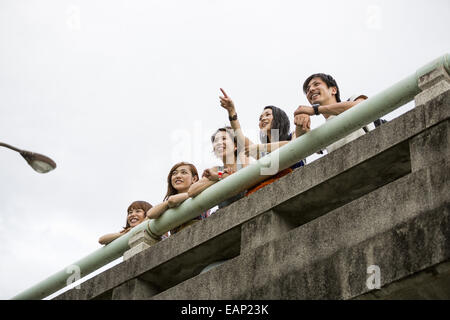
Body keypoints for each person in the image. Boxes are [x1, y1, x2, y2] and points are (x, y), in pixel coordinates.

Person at [218, 88, 308, 195]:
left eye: (267, 115)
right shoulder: (262, 153)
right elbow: (239, 135)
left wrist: (260, 147)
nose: (262, 119)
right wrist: (231, 111)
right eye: (260, 118)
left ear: (279, 118)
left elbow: (293, 146)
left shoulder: (293, 135)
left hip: (297, 185)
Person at [294, 73, 369, 153]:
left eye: (316, 84)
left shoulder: (352, 100)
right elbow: (305, 147)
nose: (311, 90)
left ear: (334, 90)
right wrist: (300, 121)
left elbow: (364, 106)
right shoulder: (322, 130)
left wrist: (315, 110)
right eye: (307, 90)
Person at [188, 126, 249, 209]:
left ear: (235, 146)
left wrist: (217, 177)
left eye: (224, 138)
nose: (219, 143)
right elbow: (191, 191)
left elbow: (244, 180)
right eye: (216, 141)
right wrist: (220, 176)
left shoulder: (243, 161)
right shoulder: (217, 170)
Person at [147, 162, 211, 235]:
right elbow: (150, 214)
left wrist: (191, 193)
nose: (178, 176)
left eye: (183, 172)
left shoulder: (201, 192)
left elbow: (222, 172)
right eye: (174, 173)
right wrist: (169, 202)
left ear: (194, 178)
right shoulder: (170, 202)